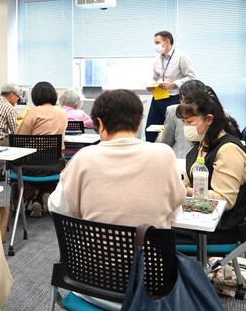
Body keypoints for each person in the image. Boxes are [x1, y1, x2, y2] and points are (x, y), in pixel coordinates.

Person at [49, 89, 186, 229]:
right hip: (150, 249)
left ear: (100, 124)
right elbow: (175, 212)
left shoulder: (83, 157)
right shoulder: (164, 155)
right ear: (138, 124)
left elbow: (57, 206)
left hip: (95, 249)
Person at [176, 90, 246, 241]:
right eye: (183, 122)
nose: (185, 127)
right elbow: (187, 179)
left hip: (218, 225)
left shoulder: (228, 150)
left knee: (156, 231)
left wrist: (184, 191)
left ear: (208, 119)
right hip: (200, 216)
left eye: (190, 122)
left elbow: (224, 199)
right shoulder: (203, 143)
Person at [16, 81, 68, 217]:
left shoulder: (33, 113)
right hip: (55, 164)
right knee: (48, 175)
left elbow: (20, 138)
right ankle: (46, 195)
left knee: (23, 171)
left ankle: (34, 199)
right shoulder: (62, 113)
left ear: (35, 97)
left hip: (31, 164)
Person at [145, 31, 196, 142]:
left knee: (171, 130)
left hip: (174, 97)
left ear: (167, 42)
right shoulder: (156, 58)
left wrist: (173, 84)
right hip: (158, 97)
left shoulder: (181, 56)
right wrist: (151, 85)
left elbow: (191, 77)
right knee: (150, 129)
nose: (155, 46)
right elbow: (155, 78)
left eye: (157, 42)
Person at [156, 79, 207, 158]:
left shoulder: (173, 110)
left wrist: (160, 137)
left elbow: (165, 142)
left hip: (180, 160)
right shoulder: (219, 112)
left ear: (183, 97)